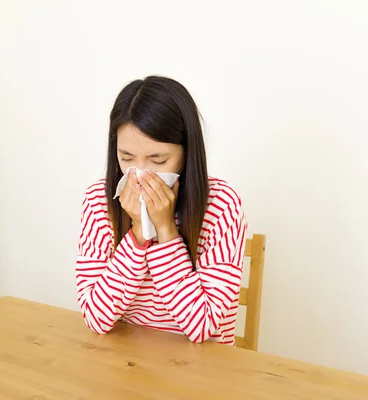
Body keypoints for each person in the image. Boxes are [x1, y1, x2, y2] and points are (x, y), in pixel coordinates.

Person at [76, 76, 247, 345]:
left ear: (186, 152)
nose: (142, 173)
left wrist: (166, 230)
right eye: (127, 158)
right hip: (124, 367)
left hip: (201, 372)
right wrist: (138, 234)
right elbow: (96, 319)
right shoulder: (99, 201)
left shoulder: (222, 204)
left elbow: (201, 325)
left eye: (158, 160)